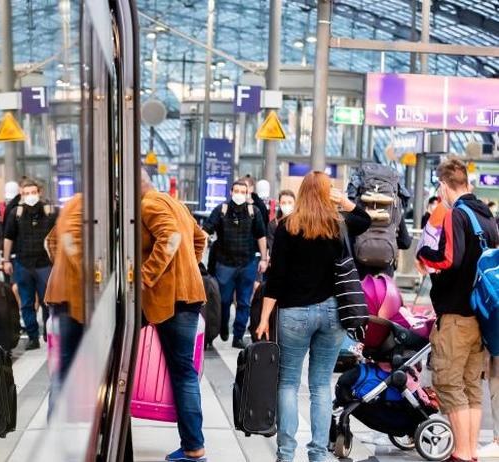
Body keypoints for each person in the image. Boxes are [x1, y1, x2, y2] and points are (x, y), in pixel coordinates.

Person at [256, 172, 370, 462]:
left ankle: (286, 454)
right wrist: (343, 200)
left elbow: (276, 277)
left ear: (302, 192)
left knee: (288, 383)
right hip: (333, 314)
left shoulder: (286, 226)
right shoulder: (337, 225)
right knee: (320, 385)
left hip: (294, 314)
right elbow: (364, 220)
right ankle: (318, 454)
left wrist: (263, 318)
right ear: (325, 193)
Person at [416, 158, 499, 462]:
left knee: (449, 383)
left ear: (443, 185)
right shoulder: (486, 216)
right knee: (470, 386)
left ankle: (461, 453)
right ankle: (470, 451)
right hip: (481, 315)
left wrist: (425, 253)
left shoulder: (456, 215)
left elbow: (449, 258)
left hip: (456, 316)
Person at [141, 170, 208, 462]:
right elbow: (199, 238)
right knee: (185, 373)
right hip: (190, 294)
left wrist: (144, 276)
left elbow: (169, 237)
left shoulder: (148, 204)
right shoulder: (175, 203)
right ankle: (193, 446)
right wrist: (187, 267)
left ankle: (194, 447)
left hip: (170, 300)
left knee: (182, 374)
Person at [202, 180, 268, 348]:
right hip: (225, 264)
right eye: (236, 190)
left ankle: (238, 336)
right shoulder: (221, 210)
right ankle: (223, 325)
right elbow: (205, 231)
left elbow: (261, 236)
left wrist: (264, 259)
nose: (239, 194)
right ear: (231, 192)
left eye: (242, 191)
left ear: (247, 194)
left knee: (244, 302)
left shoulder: (254, 212)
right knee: (223, 301)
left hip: (247, 263)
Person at [2, 180, 57, 350]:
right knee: (26, 303)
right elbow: (8, 237)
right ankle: (33, 337)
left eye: (33, 192)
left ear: (39, 192)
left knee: (48, 301)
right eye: (26, 193)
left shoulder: (50, 212)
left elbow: (58, 235)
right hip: (23, 264)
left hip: (44, 264)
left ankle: (49, 335)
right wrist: (5, 260)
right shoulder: (16, 214)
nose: (30, 196)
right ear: (21, 194)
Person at [44, 193, 84, 413]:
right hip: (73, 299)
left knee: (63, 367)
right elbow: (69, 240)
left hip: (65, 296)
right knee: (64, 368)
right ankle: (57, 431)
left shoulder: (74, 204)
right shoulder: (83, 205)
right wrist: (90, 277)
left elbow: (50, 241)